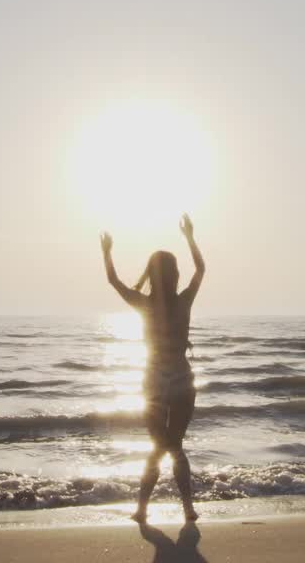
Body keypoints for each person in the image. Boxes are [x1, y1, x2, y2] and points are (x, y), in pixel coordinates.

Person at [100, 213, 205, 523]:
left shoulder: (146, 304)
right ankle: (183, 509)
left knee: (163, 445)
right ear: (172, 275)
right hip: (180, 380)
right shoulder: (183, 301)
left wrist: (107, 253)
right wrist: (190, 237)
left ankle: (144, 509)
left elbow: (113, 281)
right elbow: (201, 269)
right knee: (172, 446)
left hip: (156, 381)